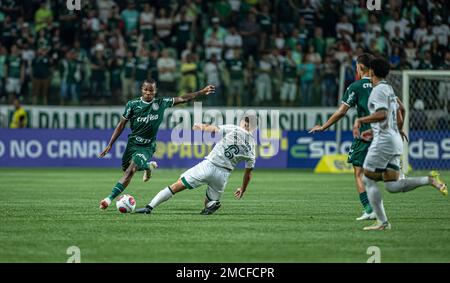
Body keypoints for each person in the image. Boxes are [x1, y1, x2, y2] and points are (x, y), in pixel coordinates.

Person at [353, 57, 447, 231]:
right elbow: (400, 110)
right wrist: (392, 129)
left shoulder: (378, 91)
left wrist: (360, 120)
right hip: (393, 138)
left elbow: (381, 114)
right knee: (392, 185)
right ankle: (429, 180)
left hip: (384, 142)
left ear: (371, 72)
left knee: (366, 177)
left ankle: (382, 222)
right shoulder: (388, 89)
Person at [98, 79, 215, 210]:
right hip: (132, 144)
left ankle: (108, 199)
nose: (148, 93)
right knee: (126, 169)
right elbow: (121, 125)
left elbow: (183, 98)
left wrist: (202, 91)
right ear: (141, 90)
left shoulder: (161, 103)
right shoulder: (132, 104)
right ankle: (148, 166)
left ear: (155, 91)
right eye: (146, 90)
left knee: (130, 171)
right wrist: (110, 144)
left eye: (151, 91)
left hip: (147, 146)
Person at [135, 115, 257, 215]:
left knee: (176, 185)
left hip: (209, 166)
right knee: (208, 203)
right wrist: (243, 189)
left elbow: (213, 129)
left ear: (245, 124)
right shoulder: (252, 148)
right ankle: (211, 204)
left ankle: (149, 207)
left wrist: (201, 126)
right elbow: (248, 173)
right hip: (223, 175)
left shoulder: (236, 129)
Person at [309, 53, 376, 221]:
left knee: (358, 172)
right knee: (380, 173)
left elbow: (341, 112)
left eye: (356, 67)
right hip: (384, 134)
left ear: (360, 67)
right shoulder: (382, 85)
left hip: (365, 135)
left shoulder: (356, 86)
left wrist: (323, 127)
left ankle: (369, 209)